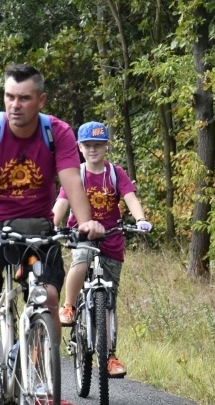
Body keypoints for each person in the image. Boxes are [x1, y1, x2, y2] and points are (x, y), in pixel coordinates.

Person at [0, 64, 104, 405]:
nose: (15, 105)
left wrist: (86, 224)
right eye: (9, 96)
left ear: (41, 100)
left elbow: (72, 181)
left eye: (24, 98)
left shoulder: (57, 133)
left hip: (38, 228)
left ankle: (39, 386)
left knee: (49, 297)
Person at [52, 121, 151, 377]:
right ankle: (69, 306)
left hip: (111, 238)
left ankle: (109, 355)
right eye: (88, 145)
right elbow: (62, 203)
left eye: (98, 145)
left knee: (108, 301)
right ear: (80, 148)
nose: (93, 149)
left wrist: (140, 219)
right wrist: (51, 225)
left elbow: (130, 198)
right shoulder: (77, 174)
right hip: (83, 233)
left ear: (106, 146)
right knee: (81, 259)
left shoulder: (115, 173)